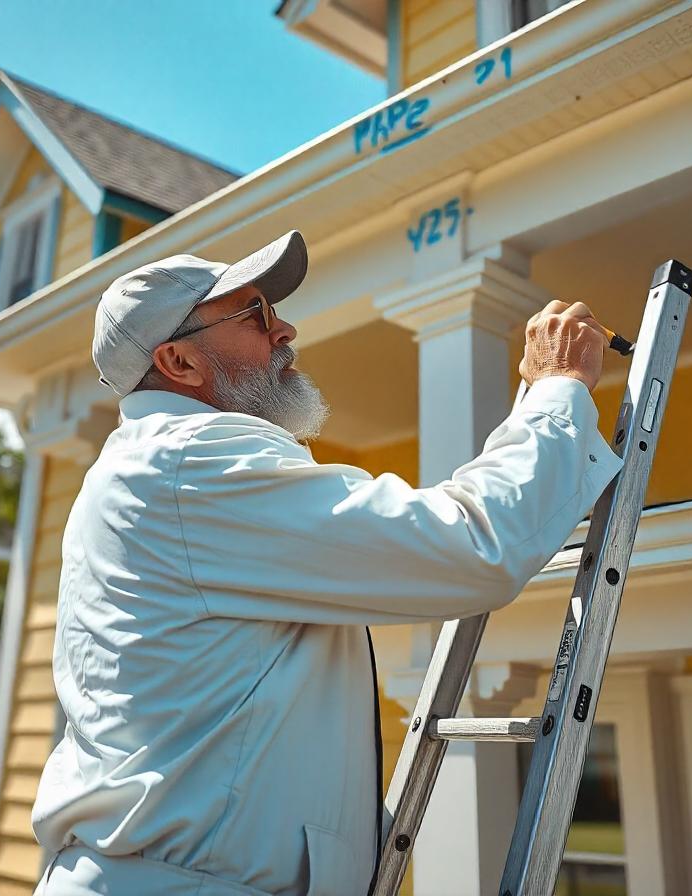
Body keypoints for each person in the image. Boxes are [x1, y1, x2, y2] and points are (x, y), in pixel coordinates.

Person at [31, 230, 622, 895]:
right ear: (179, 361)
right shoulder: (192, 464)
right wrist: (558, 391)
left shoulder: (151, 469)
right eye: (253, 314)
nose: (283, 329)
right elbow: (469, 547)